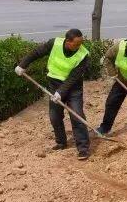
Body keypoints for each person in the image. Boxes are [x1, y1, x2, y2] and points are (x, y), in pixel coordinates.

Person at [15, 29, 91, 160]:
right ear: (68, 41)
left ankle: (83, 148)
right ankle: (61, 142)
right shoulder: (54, 43)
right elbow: (36, 52)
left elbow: (74, 77)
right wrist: (22, 65)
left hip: (73, 88)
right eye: (76, 44)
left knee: (77, 115)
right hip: (54, 84)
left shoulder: (84, 55)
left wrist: (60, 92)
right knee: (54, 116)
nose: (79, 47)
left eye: (81, 43)